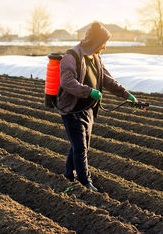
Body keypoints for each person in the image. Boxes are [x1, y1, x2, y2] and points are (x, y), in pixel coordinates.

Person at [56, 21, 137, 191]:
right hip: (72, 109)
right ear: (96, 41)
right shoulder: (72, 56)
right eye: (103, 43)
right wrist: (89, 91)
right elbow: (67, 81)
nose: (105, 47)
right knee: (80, 147)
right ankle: (85, 182)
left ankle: (68, 176)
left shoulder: (96, 57)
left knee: (79, 145)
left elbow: (107, 80)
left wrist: (125, 94)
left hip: (88, 109)